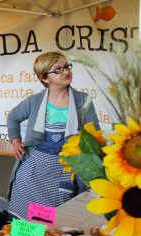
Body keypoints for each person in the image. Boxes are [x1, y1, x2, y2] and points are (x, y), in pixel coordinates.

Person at [7, 52, 99, 219]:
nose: (65, 72)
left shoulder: (82, 100)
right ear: (45, 78)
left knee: (51, 225)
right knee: (25, 228)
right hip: (32, 171)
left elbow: (95, 134)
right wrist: (15, 140)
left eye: (66, 67)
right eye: (58, 70)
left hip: (63, 170)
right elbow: (13, 117)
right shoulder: (34, 101)